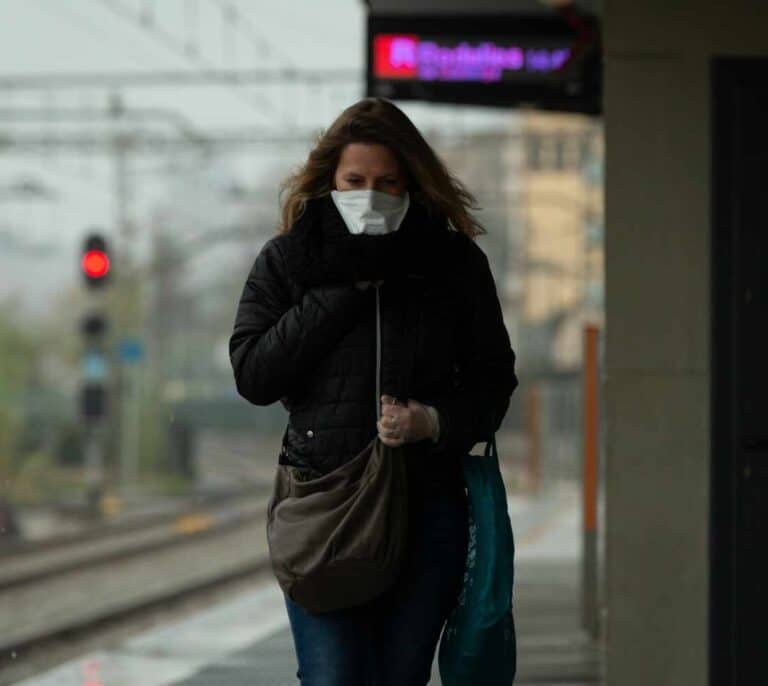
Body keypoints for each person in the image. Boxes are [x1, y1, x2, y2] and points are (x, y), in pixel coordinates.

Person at [229, 97, 518, 685]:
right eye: (355, 180)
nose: (371, 194)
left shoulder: (453, 264)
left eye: (387, 182)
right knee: (333, 677)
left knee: (398, 677)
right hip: (324, 507)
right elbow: (254, 374)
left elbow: (494, 380)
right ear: (330, 181)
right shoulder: (290, 259)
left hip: (426, 508)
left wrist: (432, 422)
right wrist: (341, 290)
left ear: (411, 182)